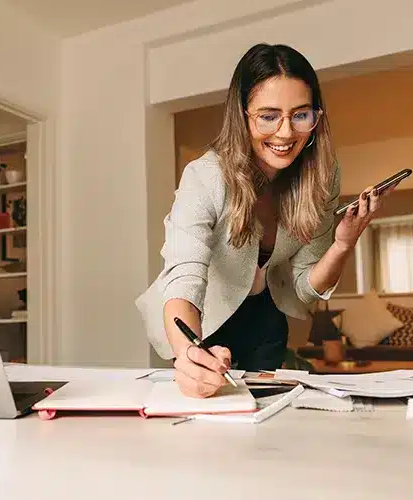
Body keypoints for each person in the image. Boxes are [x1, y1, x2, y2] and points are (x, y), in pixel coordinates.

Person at [135, 43, 389, 398]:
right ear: (242, 116)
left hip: (267, 317)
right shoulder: (205, 176)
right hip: (203, 321)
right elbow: (183, 277)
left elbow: (304, 286)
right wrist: (188, 353)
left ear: (317, 115)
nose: (286, 133)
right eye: (268, 116)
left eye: (300, 115)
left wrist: (343, 244)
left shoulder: (322, 177)